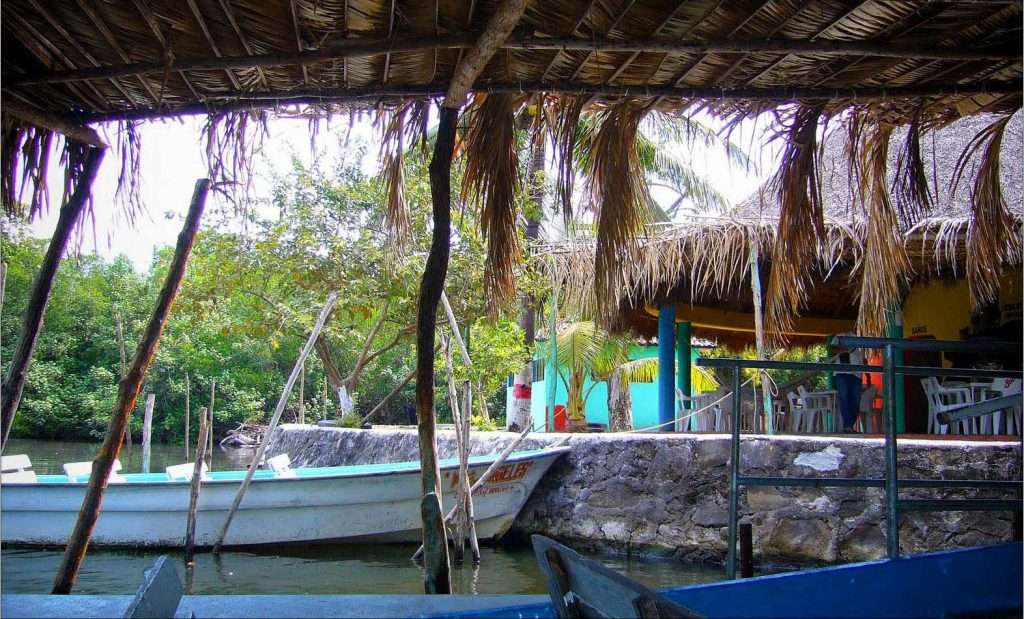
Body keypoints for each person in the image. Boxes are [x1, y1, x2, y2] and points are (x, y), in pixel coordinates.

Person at [832, 333, 865, 433]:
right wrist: (846, 349)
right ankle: (848, 426)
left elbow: (862, 357)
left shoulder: (860, 338)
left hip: (857, 373)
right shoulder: (839, 336)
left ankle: (850, 425)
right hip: (842, 372)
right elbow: (833, 349)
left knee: (856, 401)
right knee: (844, 398)